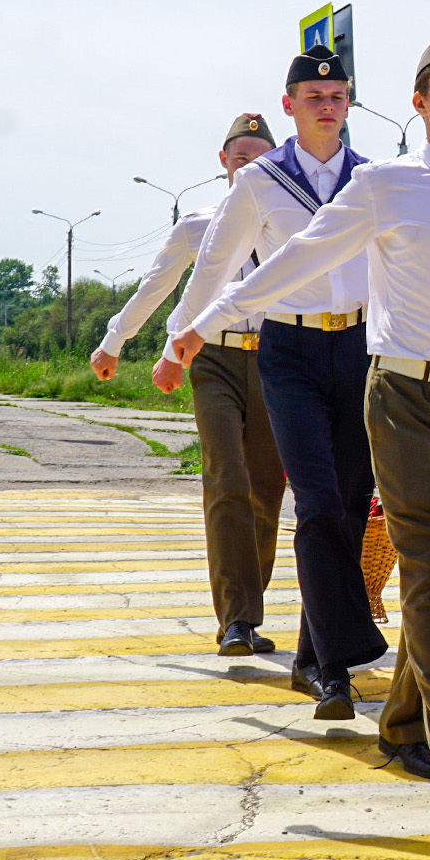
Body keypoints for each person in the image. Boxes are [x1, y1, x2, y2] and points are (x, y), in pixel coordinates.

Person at [171, 21, 430, 812]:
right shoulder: (384, 184)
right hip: (404, 393)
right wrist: (214, 316)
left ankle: (399, 723)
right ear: (419, 103)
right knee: (423, 568)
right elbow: (304, 256)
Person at [158, 47, 385, 723]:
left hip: (362, 346)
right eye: (312, 94)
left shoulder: (375, 179)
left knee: (350, 506)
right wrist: (184, 336)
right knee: (314, 501)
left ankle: (316, 659)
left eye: (337, 94)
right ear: (289, 105)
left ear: (349, 104)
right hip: (286, 350)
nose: (326, 103)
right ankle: (340, 666)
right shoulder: (261, 179)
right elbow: (216, 263)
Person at [90, 114, 287, 660]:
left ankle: (250, 602)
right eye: (239, 155)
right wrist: (115, 341)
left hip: (276, 361)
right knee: (226, 476)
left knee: (267, 491)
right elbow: (159, 286)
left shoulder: (289, 222)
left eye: (259, 155)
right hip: (214, 359)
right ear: (223, 162)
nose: (248, 163)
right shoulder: (197, 227)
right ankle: (237, 620)